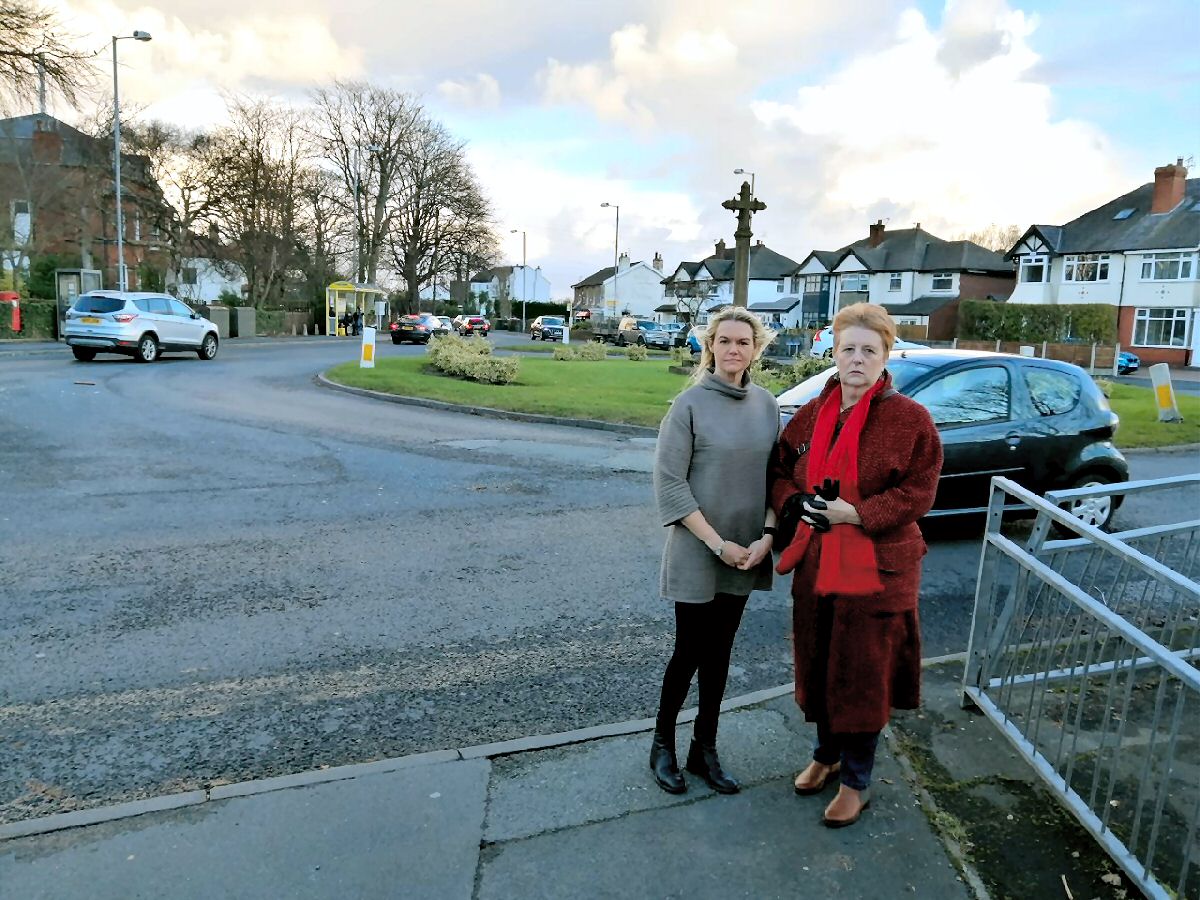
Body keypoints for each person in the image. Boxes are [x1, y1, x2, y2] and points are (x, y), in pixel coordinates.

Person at [769, 302, 942, 828]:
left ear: (886, 354)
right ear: (834, 352)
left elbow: (919, 491)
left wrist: (858, 514)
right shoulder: (812, 413)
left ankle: (857, 781)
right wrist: (793, 503)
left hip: (878, 569)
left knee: (863, 672)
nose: (858, 359)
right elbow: (780, 470)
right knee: (820, 661)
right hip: (818, 562)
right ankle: (827, 753)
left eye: (870, 350)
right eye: (849, 349)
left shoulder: (910, 420)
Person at [650, 307, 781, 795]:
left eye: (743, 342)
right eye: (724, 341)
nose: (733, 349)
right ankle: (662, 745)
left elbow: (778, 480)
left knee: (721, 653)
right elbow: (670, 485)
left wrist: (767, 536)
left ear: (755, 349)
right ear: (710, 346)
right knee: (689, 651)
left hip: (747, 550)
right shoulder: (687, 406)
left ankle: (704, 749)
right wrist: (716, 543)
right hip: (699, 547)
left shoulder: (767, 406)